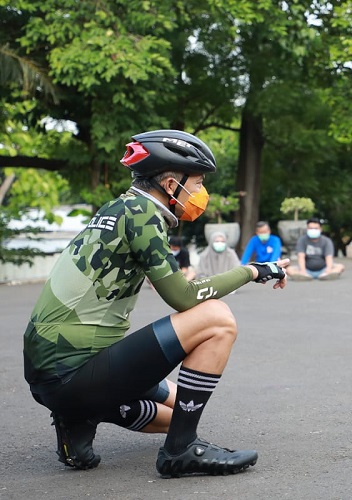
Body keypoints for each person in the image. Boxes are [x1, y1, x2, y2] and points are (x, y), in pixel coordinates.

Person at [22, 129, 289, 477]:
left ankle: (78, 417)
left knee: (181, 404)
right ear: (169, 183)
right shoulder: (143, 214)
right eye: (196, 183)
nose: (201, 193)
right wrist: (252, 271)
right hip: (73, 370)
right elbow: (182, 296)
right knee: (216, 318)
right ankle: (180, 451)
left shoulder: (118, 208)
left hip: (54, 372)